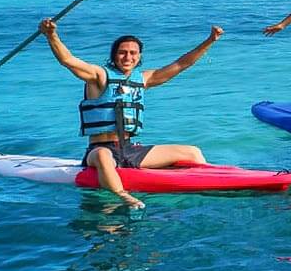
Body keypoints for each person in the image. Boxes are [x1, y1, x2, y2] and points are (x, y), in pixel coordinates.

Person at [38, 19, 225, 209]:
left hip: (130, 150)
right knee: (102, 156)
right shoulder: (98, 76)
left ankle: (210, 181)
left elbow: (181, 64)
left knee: (192, 151)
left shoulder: (143, 79)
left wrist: (210, 40)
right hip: (100, 150)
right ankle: (122, 195)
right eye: (122, 52)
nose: (128, 57)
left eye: (133, 53)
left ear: (139, 56)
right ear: (114, 55)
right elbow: (68, 60)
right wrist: (51, 35)